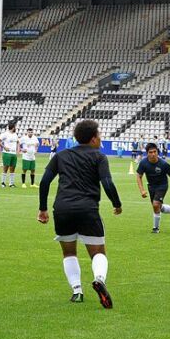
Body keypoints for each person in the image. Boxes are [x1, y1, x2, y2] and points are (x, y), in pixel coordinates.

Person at [37, 119, 122, 307]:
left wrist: (43, 208)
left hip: (62, 209)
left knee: (69, 253)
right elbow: (107, 183)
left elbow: (44, 182)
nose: (100, 139)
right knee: (98, 251)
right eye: (99, 135)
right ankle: (99, 279)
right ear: (93, 139)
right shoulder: (99, 157)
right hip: (87, 209)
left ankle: (77, 291)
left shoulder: (61, 155)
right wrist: (117, 204)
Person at [135, 142, 170, 233]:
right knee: (158, 207)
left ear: (157, 152)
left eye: (155, 152)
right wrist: (142, 190)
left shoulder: (163, 164)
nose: (153, 154)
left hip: (162, 186)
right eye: (150, 152)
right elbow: (139, 176)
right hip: (151, 187)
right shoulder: (143, 163)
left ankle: (155, 228)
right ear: (147, 153)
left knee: (155, 205)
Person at [0, 120, 20, 189]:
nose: (16, 128)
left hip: (13, 153)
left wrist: (18, 150)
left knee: (13, 168)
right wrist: (4, 147)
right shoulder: (5, 134)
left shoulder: (15, 134)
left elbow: (18, 142)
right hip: (7, 153)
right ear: (13, 127)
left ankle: (11, 183)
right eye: (15, 127)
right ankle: (3, 182)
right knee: (5, 167)